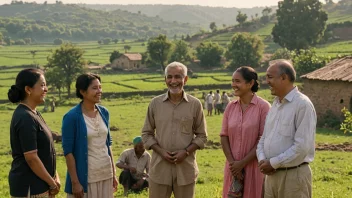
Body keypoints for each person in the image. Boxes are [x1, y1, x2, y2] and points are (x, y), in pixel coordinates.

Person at [142, 61, 207, 198]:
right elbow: (146, 134)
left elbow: (202, 136)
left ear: (186, 79)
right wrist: (161, 151)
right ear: (165, 79)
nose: (173, 81)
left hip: (185, 170)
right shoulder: (155, 104)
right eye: (169, 77)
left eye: (178, 77)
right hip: (159, 169)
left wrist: (186, 152)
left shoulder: (195, 104)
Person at [257, 60, 317, 198]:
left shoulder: (302, 105)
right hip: (271, 176)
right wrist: (262, 160)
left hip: (293, 177)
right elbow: (264, 138)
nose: (267, 81)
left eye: (270, 77)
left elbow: (302, 147)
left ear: (284, 78)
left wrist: (272, 163)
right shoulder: (275, 105)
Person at [62, 73, 118, 198]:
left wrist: (113, 173)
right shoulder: (71, 117)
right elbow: (68, 152)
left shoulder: (104, 112)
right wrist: (75, 182)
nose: (99, 91)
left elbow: (108, 145)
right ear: (82, 91)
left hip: (105, 174)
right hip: (86, 178)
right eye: (94, 88)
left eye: (100, 87)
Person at [8, 68, 60, 197]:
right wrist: (52, 183)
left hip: (40, 185)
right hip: (30, 187)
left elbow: (45, 151)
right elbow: (31, 158)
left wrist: (55, 176)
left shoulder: (34, 114)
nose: (46, 89)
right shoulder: (25, 117)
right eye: (42, 85)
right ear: (28, 89)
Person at [220, 66, 271, 198]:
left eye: (237, 81)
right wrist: (233, 164)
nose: (233, 85)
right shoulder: (231, 107)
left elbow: (263, 139)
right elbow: (224, 136)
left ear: (250, 83)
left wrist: (242, 164)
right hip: (232, 168)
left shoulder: (263, 107)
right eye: (232, 81)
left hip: (253, 167)